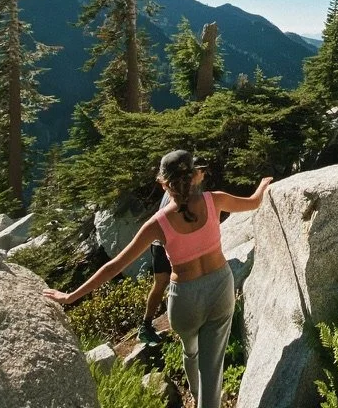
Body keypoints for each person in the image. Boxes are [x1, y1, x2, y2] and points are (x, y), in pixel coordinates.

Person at [44, 150, 273, 408]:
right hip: (220, 287)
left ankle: (194, 393)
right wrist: (262, 188)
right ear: (196, 175)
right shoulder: (215, 200)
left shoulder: (157, 223)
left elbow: (115, 265)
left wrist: (70, 296)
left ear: (164, 183)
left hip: (185, 298)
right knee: (212, 371)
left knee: (190, 350)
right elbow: (253, 203)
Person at [138, 190, 172, 344]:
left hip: (160, 242)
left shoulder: (173, 183)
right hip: (164, 243)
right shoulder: (179, 186)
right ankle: (146, 326)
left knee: (161, 283)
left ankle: (146, 325)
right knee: (162, 282)